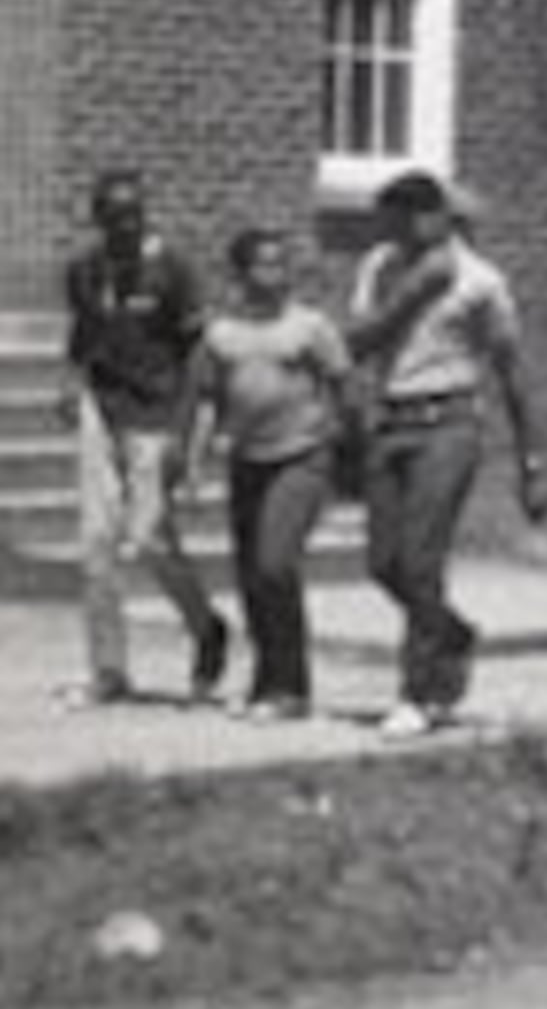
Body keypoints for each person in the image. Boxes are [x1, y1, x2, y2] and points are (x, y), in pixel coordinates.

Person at [345, 170, 547, 737]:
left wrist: (532, 464)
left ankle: (418, 691)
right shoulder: (380, 268)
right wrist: (410, 296)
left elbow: (512, 372)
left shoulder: (481, 281)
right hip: (390, 421)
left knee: (420, 559)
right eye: (394, 218)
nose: (404, 230)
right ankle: (452, 633)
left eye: (416, 216)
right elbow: (356, 343)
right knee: (383, 563)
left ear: (440, 216)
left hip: (448, 423)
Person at [58, 168, 227, 706]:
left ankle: (206, 627)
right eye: (115, 218)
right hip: (101, 406)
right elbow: (83, 333)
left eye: (135, 215)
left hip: (156, 411)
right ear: (99, 220)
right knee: (96, 542)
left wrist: (187, 432)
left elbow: (198, 351)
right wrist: (70, 380)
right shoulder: (84, 271)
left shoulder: (171, 270)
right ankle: (108, 670)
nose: (127, 227)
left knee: (151, 536)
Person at [182, 225, 353, 721]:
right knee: (252, 576)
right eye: (264, 265)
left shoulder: (311, 327)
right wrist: (194, 461)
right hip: (247, 460)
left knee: (276, 563)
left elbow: (343, 385)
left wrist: (339, 449)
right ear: (240, 274)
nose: (276, 276)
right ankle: (266, 681)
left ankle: (292, 688)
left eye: (282, 265)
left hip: (300, 456)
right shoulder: (221, 334)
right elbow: (207, 400)